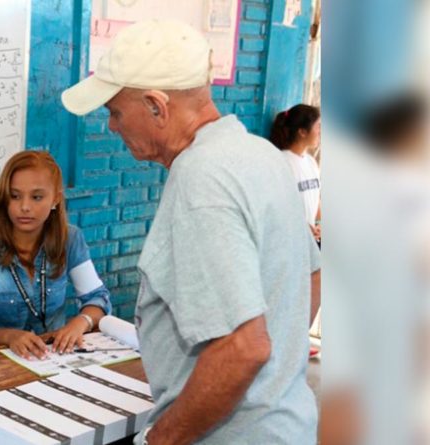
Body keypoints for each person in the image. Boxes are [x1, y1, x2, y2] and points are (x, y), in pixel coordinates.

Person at [61, 20, 321, 444]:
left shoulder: (202, 179)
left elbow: (243, 349)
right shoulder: (260, 153)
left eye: (114, 111)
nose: (111, 126)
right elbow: (314, 274)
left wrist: (160, 439)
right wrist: (274, 380)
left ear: (156, 107)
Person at [0, 151, 112, 359]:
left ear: (55, 199)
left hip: (54, 356)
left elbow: (97, 298)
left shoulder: (71, 239)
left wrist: (79, 323)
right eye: (15, 196)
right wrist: (9, 337)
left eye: (37, 197)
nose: (25, 207)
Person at [270, 104, 322, 242]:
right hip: (289, 242)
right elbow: (276, 207)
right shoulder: (281, 161)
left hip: (310, 242)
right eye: (318, 127)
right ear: (302, 132)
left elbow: (315, 203)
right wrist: (303, 227)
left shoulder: (312, 162)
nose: (321, 132)